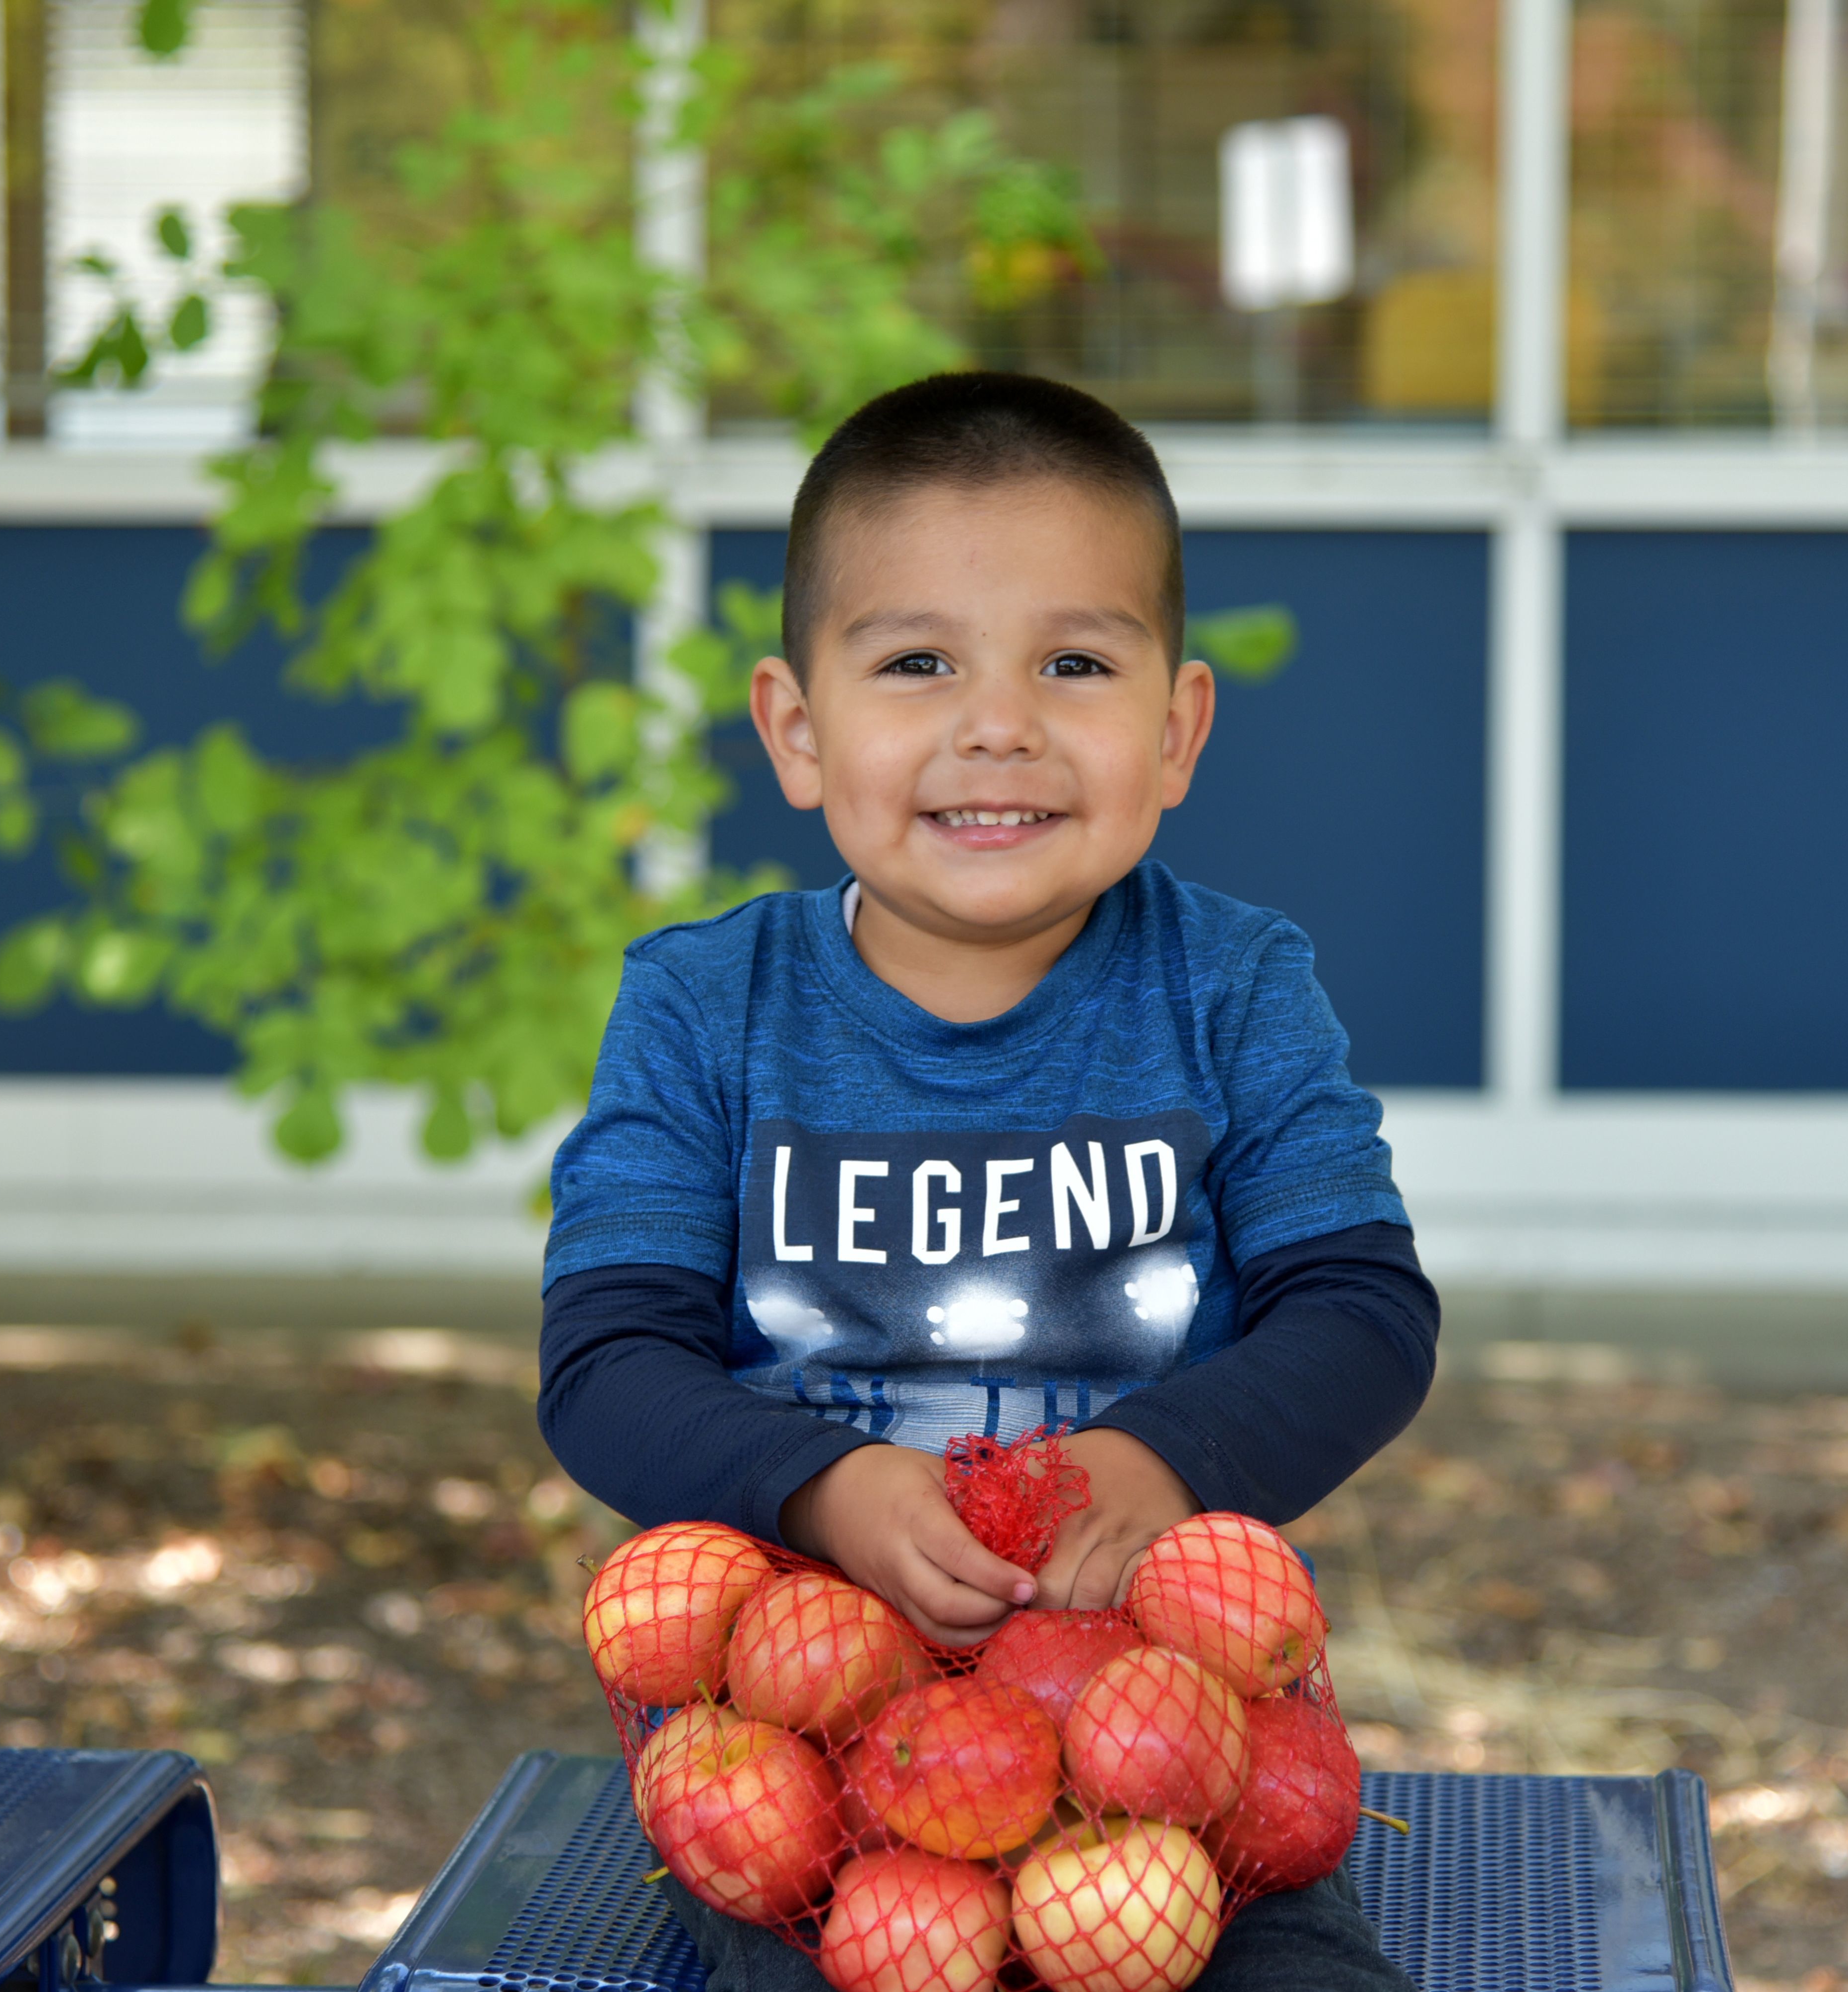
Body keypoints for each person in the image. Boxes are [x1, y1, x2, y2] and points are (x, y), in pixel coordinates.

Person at [536, 370, 1437, 1989]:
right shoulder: (704, 1006)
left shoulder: (1233, 989)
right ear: (797, 732)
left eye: (1074, 663)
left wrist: (1164, 1459)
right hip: (813, 1758)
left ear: (1176, 732)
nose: (998, 723)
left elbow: (1363, 1314)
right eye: (916, 663)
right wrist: (817, 1488)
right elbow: (606, 1366)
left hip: (1165, 1739)